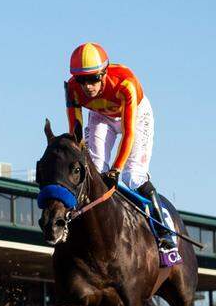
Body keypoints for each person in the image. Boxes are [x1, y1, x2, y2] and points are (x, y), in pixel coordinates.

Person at [65, 42, 177, 265]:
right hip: (101, 116)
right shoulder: (72, 88)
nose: (87, 86)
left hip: (135, 116)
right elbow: (75, 132)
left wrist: (116, 169)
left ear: (104, 73)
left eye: (93, 78)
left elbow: (128, 133)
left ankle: (165, 233)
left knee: (132, 176)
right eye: (81, 79)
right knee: (95, 172)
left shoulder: (125, 83)